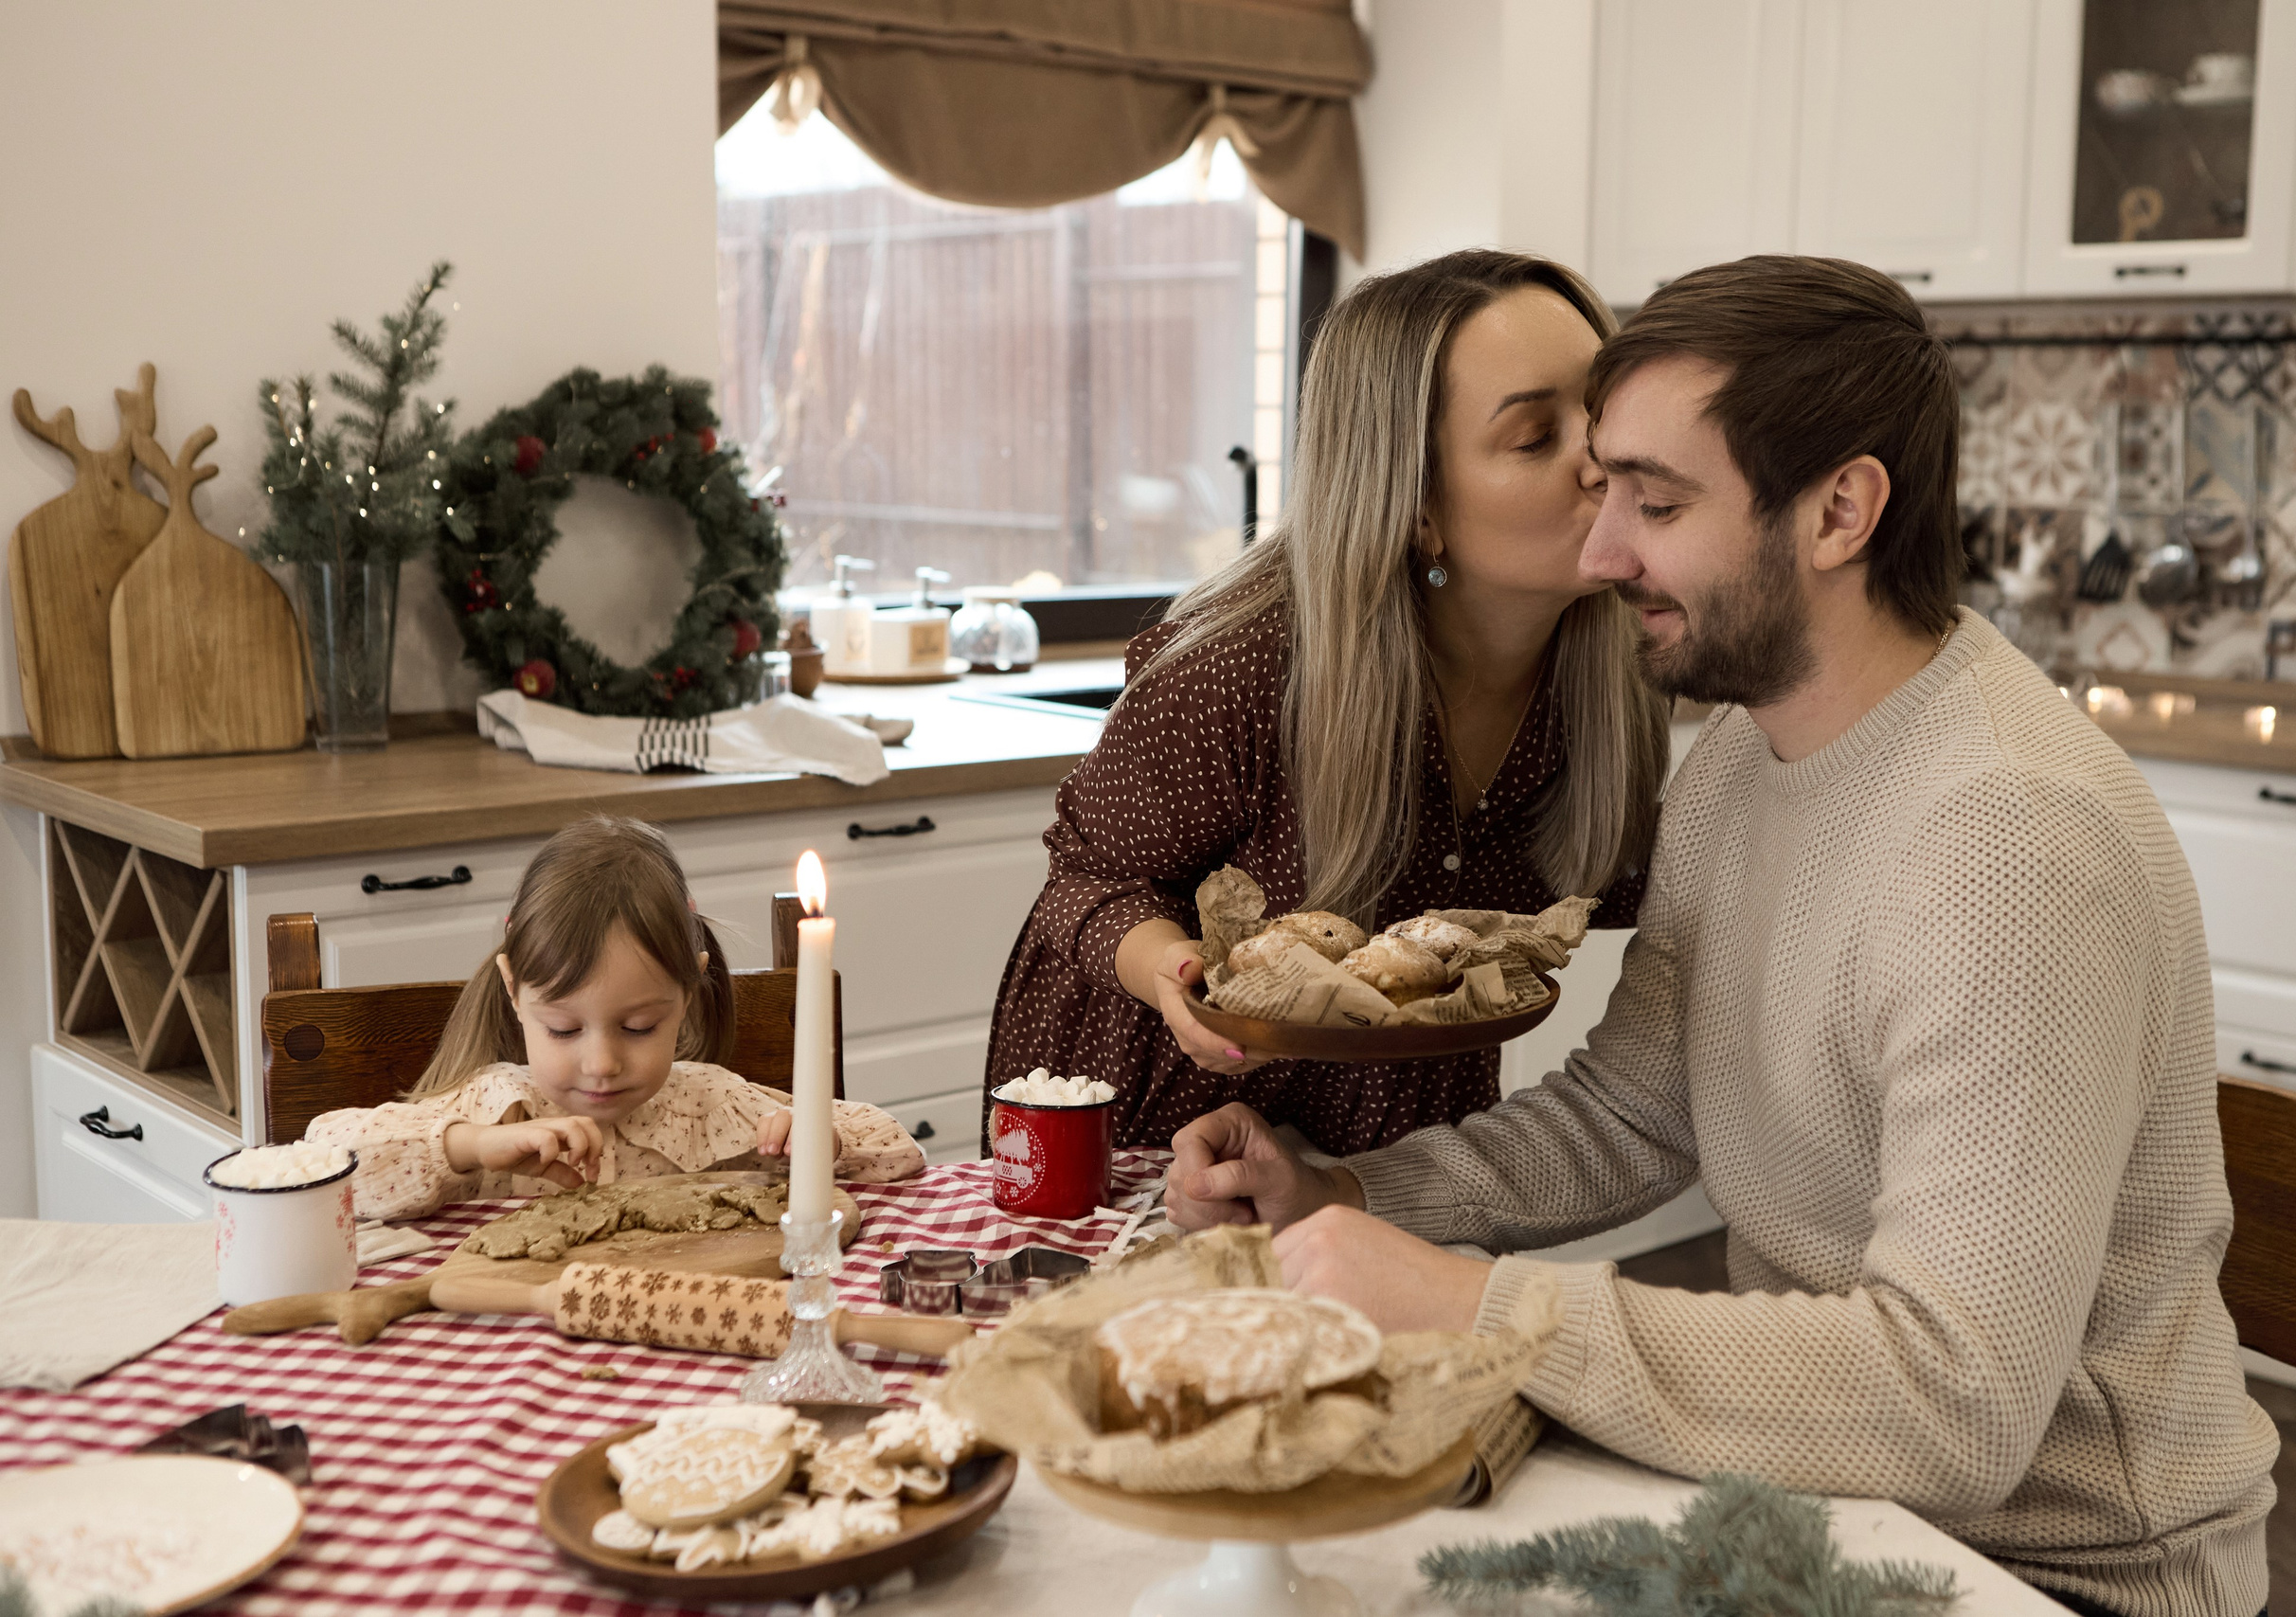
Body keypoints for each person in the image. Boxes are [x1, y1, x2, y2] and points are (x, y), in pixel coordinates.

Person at [1164, 257, 2277, 1616]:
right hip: (1820, 1508)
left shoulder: (2008, 838)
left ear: (1840, 511)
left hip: (2051, 1573)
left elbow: (1955, 1404)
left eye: (1659, 501)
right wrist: (1354, 1198)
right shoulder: (1742, 762)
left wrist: (1475, 1305)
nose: (1600, 550)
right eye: (1604, 485)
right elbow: (1634, 1109)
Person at [987, 249, 1669, 1155]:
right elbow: (1086, 878)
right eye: (1536, 437)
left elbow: (1643, 880)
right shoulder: (1240, 671)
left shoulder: (1626, 666)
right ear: (1415, 501)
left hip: (1402, 1146)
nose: (1602, 461)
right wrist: (1173, 972)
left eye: (1602, 412)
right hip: (1162, 1126)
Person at [308, 817, 923, 1219]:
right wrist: (471, 1147)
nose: (601, 1063)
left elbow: (897, 1148)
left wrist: (820, 1136)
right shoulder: (496, 1106)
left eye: (637, 1027)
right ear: (515, 991)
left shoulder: (711, 1102)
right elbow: (320, 1160)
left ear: (688, 992)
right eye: (564, 1029)